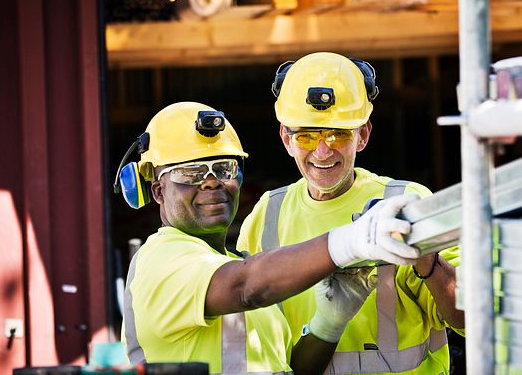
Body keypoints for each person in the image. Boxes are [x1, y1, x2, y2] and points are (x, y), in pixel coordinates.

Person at [116, 101, 422, 374]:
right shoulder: (160, 259)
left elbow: (290, 367)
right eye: (191, 172)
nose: (211, 182)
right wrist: (351, 241)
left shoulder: (236, 263)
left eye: (224, 168)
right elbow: (244, 286)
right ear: (157, 190)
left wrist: (328, 324)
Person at [238, 52, 464, 374]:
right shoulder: (266, 215)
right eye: (306, 135)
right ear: (286, 139)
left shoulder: (406, 201)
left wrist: (425, 260)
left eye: (338, 133)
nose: (322, 150)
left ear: (363, 135)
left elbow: (466, 316)